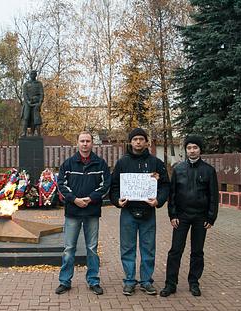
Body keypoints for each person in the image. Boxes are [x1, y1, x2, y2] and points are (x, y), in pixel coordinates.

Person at [110, 128, 170, 296]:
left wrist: (159, 200)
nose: (138, 142)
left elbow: (165, 184)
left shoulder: (155, 163)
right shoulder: (123, 163)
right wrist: (117, 201)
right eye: (135, 139)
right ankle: (129, 281)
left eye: (141, 139)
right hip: (128, 212)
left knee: (148, 248)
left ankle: (146, 281)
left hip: (148, 212)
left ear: (146, 142)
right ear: (131, 141)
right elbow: (114, 186)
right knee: (127, 248)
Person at [160, 135, 219, 297]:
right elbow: (172, 195)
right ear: (185, 150)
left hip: (201, 218)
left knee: (197, 251)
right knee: (175, 251)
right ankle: (170, 284)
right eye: (189, 148)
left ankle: (194, 282)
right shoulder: (178, 169)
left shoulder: (208, 170)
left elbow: (214, 195)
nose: (192, 151)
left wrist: (211, 217)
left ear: (200, 149)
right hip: (182, 216)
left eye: (195, 147)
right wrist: (172, 215)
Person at [55, 131, 111, 295]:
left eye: (88, 141)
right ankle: (65, 281)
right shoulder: (68, 164)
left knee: (92, 248)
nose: (85, 144)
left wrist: (90, 199)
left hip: (92, 212)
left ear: (92, 143)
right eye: (82, 141)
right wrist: (75, 199)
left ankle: (93, 280)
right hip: (72, 212)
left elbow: (105, 185)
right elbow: (61, 185)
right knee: (69, 248)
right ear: (77, 143)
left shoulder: (100, 164)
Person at [21, 70, 44, 137]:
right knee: (26, 117)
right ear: (30, 75)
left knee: (35, 119)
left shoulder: (39, 84)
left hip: (36, 103)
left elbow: (41, 94)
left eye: (34, 74)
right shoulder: (26, 84)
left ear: (36, 75)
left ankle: (33, 133)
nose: (32, 75)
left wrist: (40, 102)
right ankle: (24, 132)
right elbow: (25, 94)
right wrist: (28, 101)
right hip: (27, 103)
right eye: (31, 74)